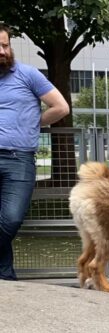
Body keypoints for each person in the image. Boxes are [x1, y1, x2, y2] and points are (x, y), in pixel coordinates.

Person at [0, 24, 70, 280]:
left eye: (5, 45)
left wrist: (32, 122)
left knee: (11, 218)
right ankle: (5, 279)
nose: (2, 50)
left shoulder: (27, 74)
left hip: (18, 160)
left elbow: (61, 107)